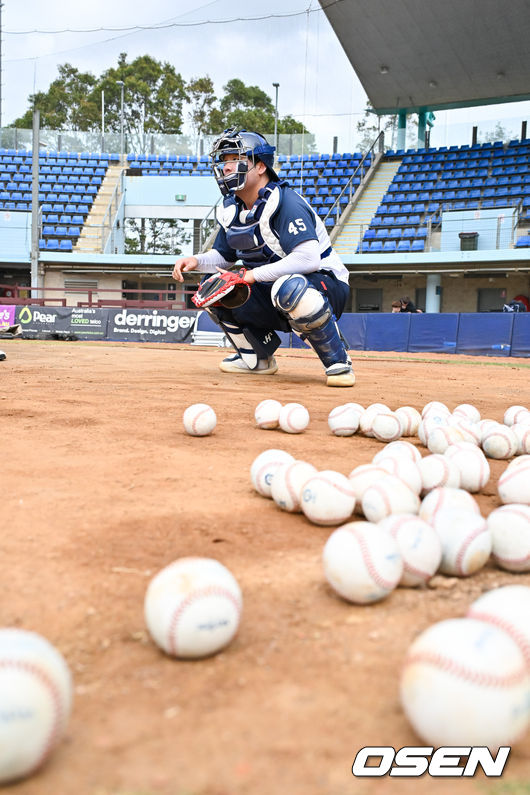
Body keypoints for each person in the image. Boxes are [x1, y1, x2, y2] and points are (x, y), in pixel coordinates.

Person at [172, 127, 354, 387]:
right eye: (223, 161)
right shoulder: (230, 208)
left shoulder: (285, 202)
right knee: (212, 287)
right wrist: (197, 261)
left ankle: (338, 361)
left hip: (325, 285)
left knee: (289, 287)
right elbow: (224, 257)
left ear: (260, 166)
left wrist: (251, 275)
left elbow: (307, 260)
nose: (226, 168)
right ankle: (257, 359)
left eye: (234, 159)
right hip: (270, 288)